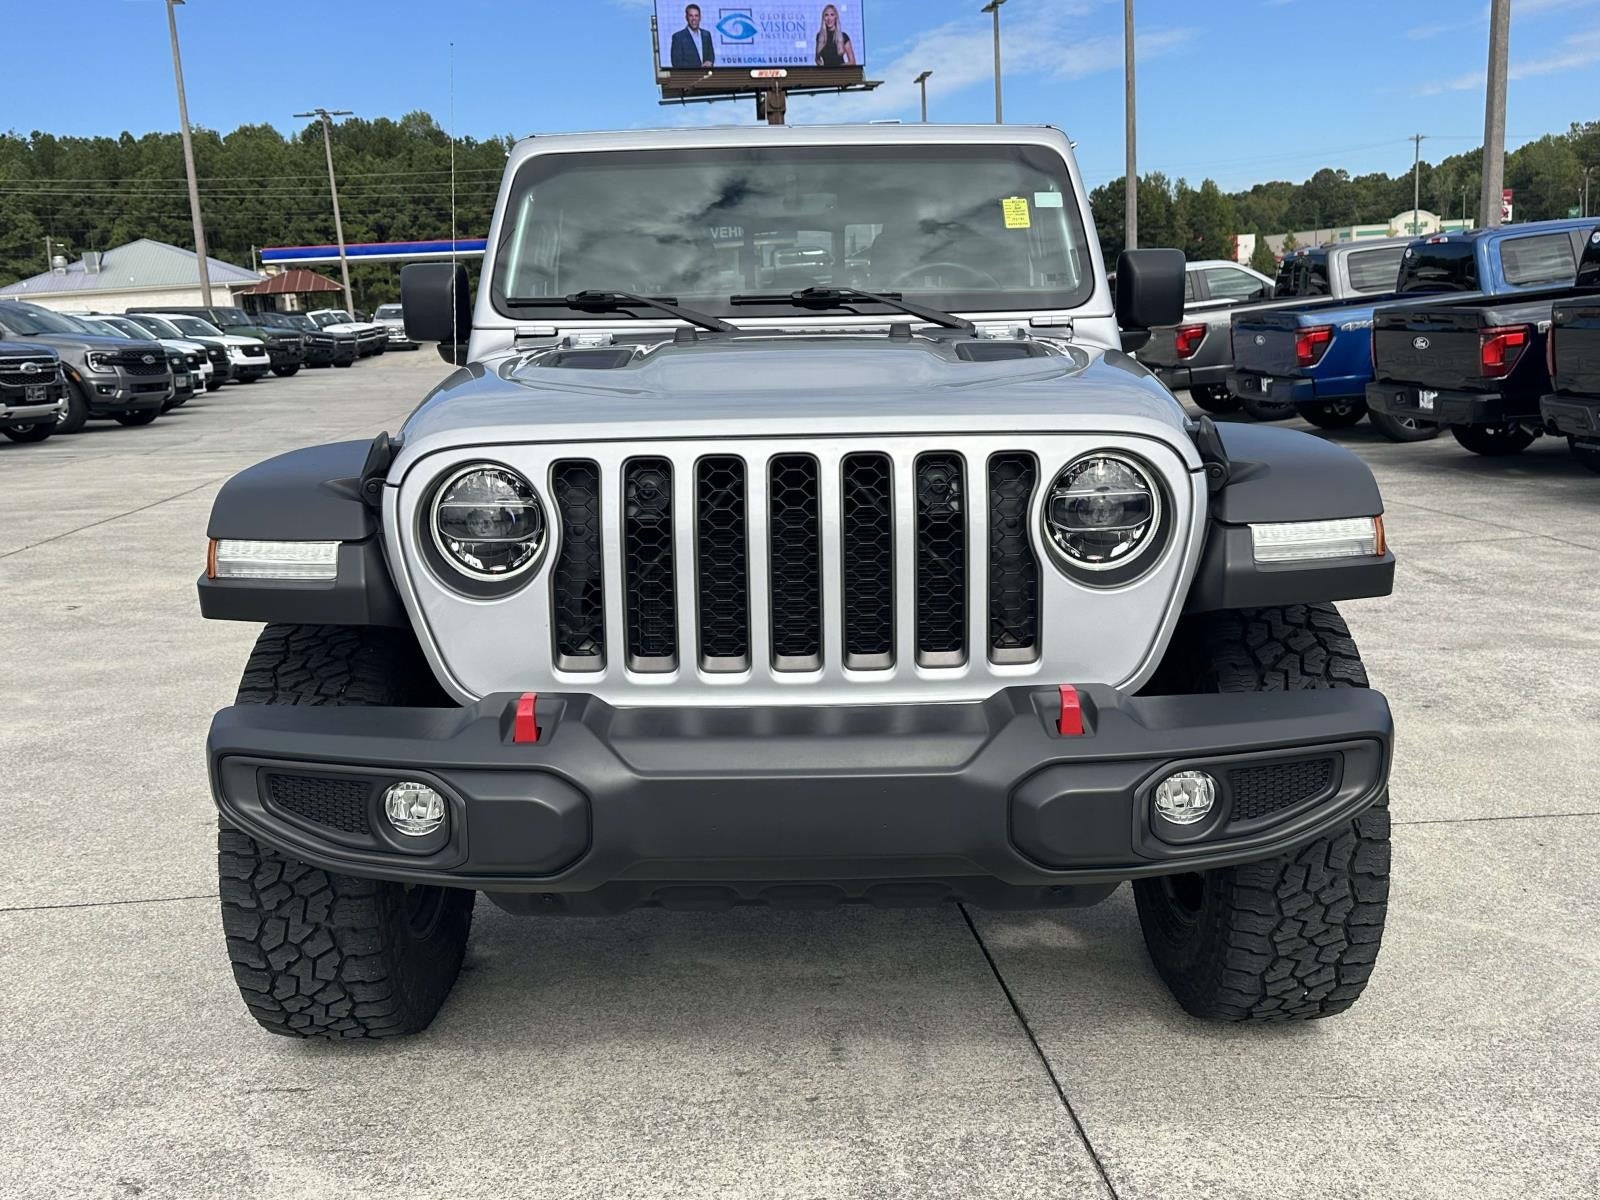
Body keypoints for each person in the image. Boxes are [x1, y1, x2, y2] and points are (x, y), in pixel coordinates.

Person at [670, 5, 715, 69]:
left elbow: (711, 55)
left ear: (700, 18)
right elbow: (676, 62)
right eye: (691, 16)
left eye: (696, 16)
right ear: (686, 17)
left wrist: (709, 62)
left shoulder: (706, 35)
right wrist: (699, 67)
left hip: (706, 74)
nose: (694, 19)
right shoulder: (678, 37)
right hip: (688, 75)